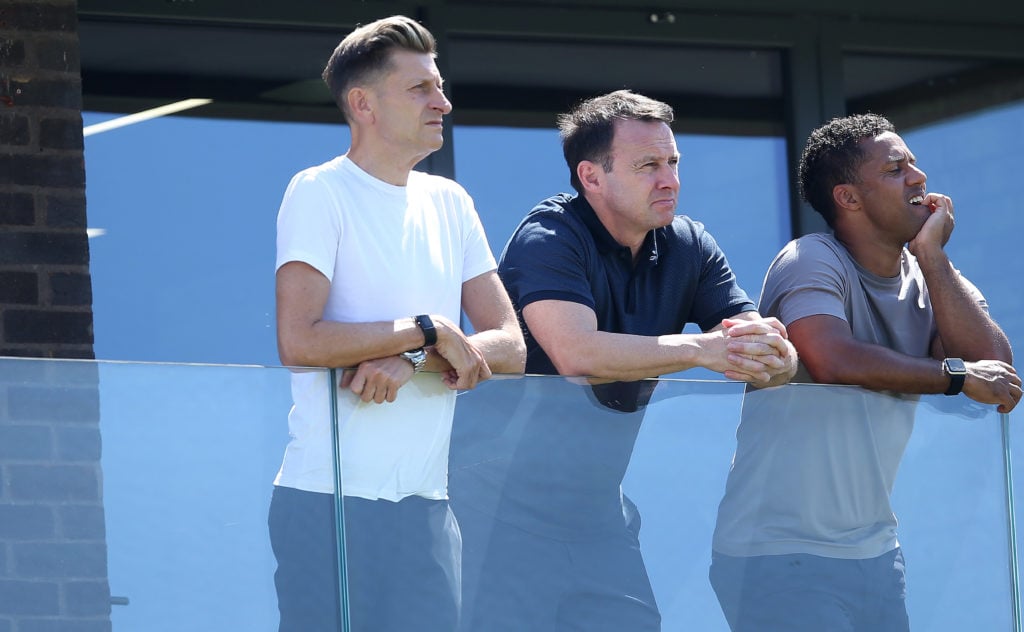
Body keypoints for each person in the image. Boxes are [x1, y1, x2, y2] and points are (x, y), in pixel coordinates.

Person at [449, 89, 798, 632]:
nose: (670, 180)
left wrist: (775, 355)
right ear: (591, 177)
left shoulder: (690, 245)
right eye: (648, 165)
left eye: (673, 162)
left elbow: (759, 346)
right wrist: (702, 349)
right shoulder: (550, 234)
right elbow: (576, 353)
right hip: (495, 510)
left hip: (597, 512)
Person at [710, 113, 1021, 631]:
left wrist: (932, 257)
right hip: (776, 554)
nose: (919, 178)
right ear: (849, 198)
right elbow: (833, 359)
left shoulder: (934, 276)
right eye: (896, 169)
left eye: (914, 164)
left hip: (876, 553)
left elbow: (997, 375)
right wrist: (954, 376)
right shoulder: (810, 258)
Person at [268, 15, 525, 632]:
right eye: (420, 89)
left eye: (438, 86)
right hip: (325, 502)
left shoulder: (451, 202)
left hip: (426, 506)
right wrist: (425, 328)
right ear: (363, 104)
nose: (443, 101)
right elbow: (299, 339)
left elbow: (511, 345)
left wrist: (412, 360)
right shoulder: (318, 191)